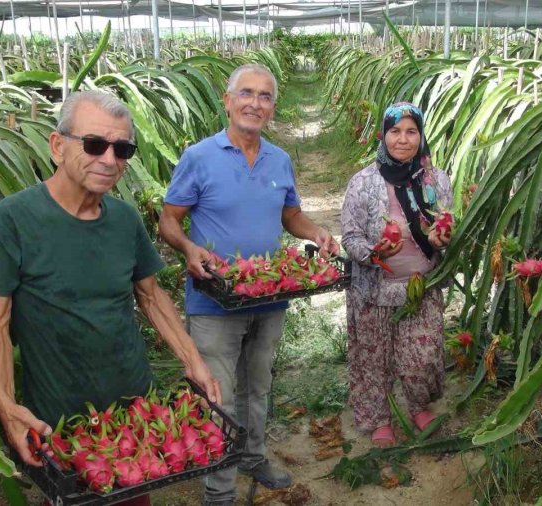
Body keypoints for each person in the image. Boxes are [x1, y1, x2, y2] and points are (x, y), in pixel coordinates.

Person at [0, 91, 221, 505]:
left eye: (122, 149)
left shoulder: (123, 219)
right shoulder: (13, 221)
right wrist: (5, 403)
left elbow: (151, 295)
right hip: (61, 418)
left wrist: (194, 362)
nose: (109, 159)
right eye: (94, 144)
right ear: (57, 146)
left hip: (134, 407)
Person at [159, 63, 339, 505]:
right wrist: (187, 248)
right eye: (246, 93)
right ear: (227, 100)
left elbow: (290, 215)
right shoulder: (199, 157)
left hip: (269, 294)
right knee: (218, 395)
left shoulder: (279, 159)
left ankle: (253, 456)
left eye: (264, 96)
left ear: (273, 107)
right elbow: (168, 220)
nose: (254, 103)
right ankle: (219, 491)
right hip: (215, 301)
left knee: (257, 385)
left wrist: (314, 231)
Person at [340, 102, 453, 448]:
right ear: (383, 135)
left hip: (422, 287)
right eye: (395, 131)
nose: (402, 139)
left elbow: (447, 223)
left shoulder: (436, 180)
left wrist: (442, 238)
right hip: (374, 289)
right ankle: (380, 419)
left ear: (421, 136)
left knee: (423, 356)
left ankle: (418, 406)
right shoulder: (363, 182)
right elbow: (349, 237)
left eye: (411, 132)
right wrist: (374, 253)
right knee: (375, 357)